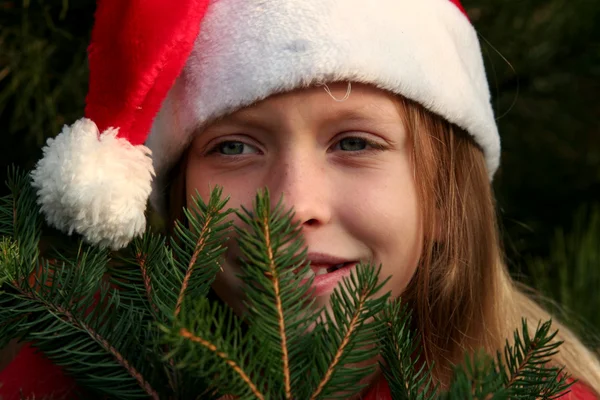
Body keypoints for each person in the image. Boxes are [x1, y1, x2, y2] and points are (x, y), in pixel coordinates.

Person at [1, 0, 599, 399]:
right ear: (175, 197)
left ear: (444, 197)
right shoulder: (68, 373)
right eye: (234, 147)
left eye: (355, 142)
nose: (291, 205)